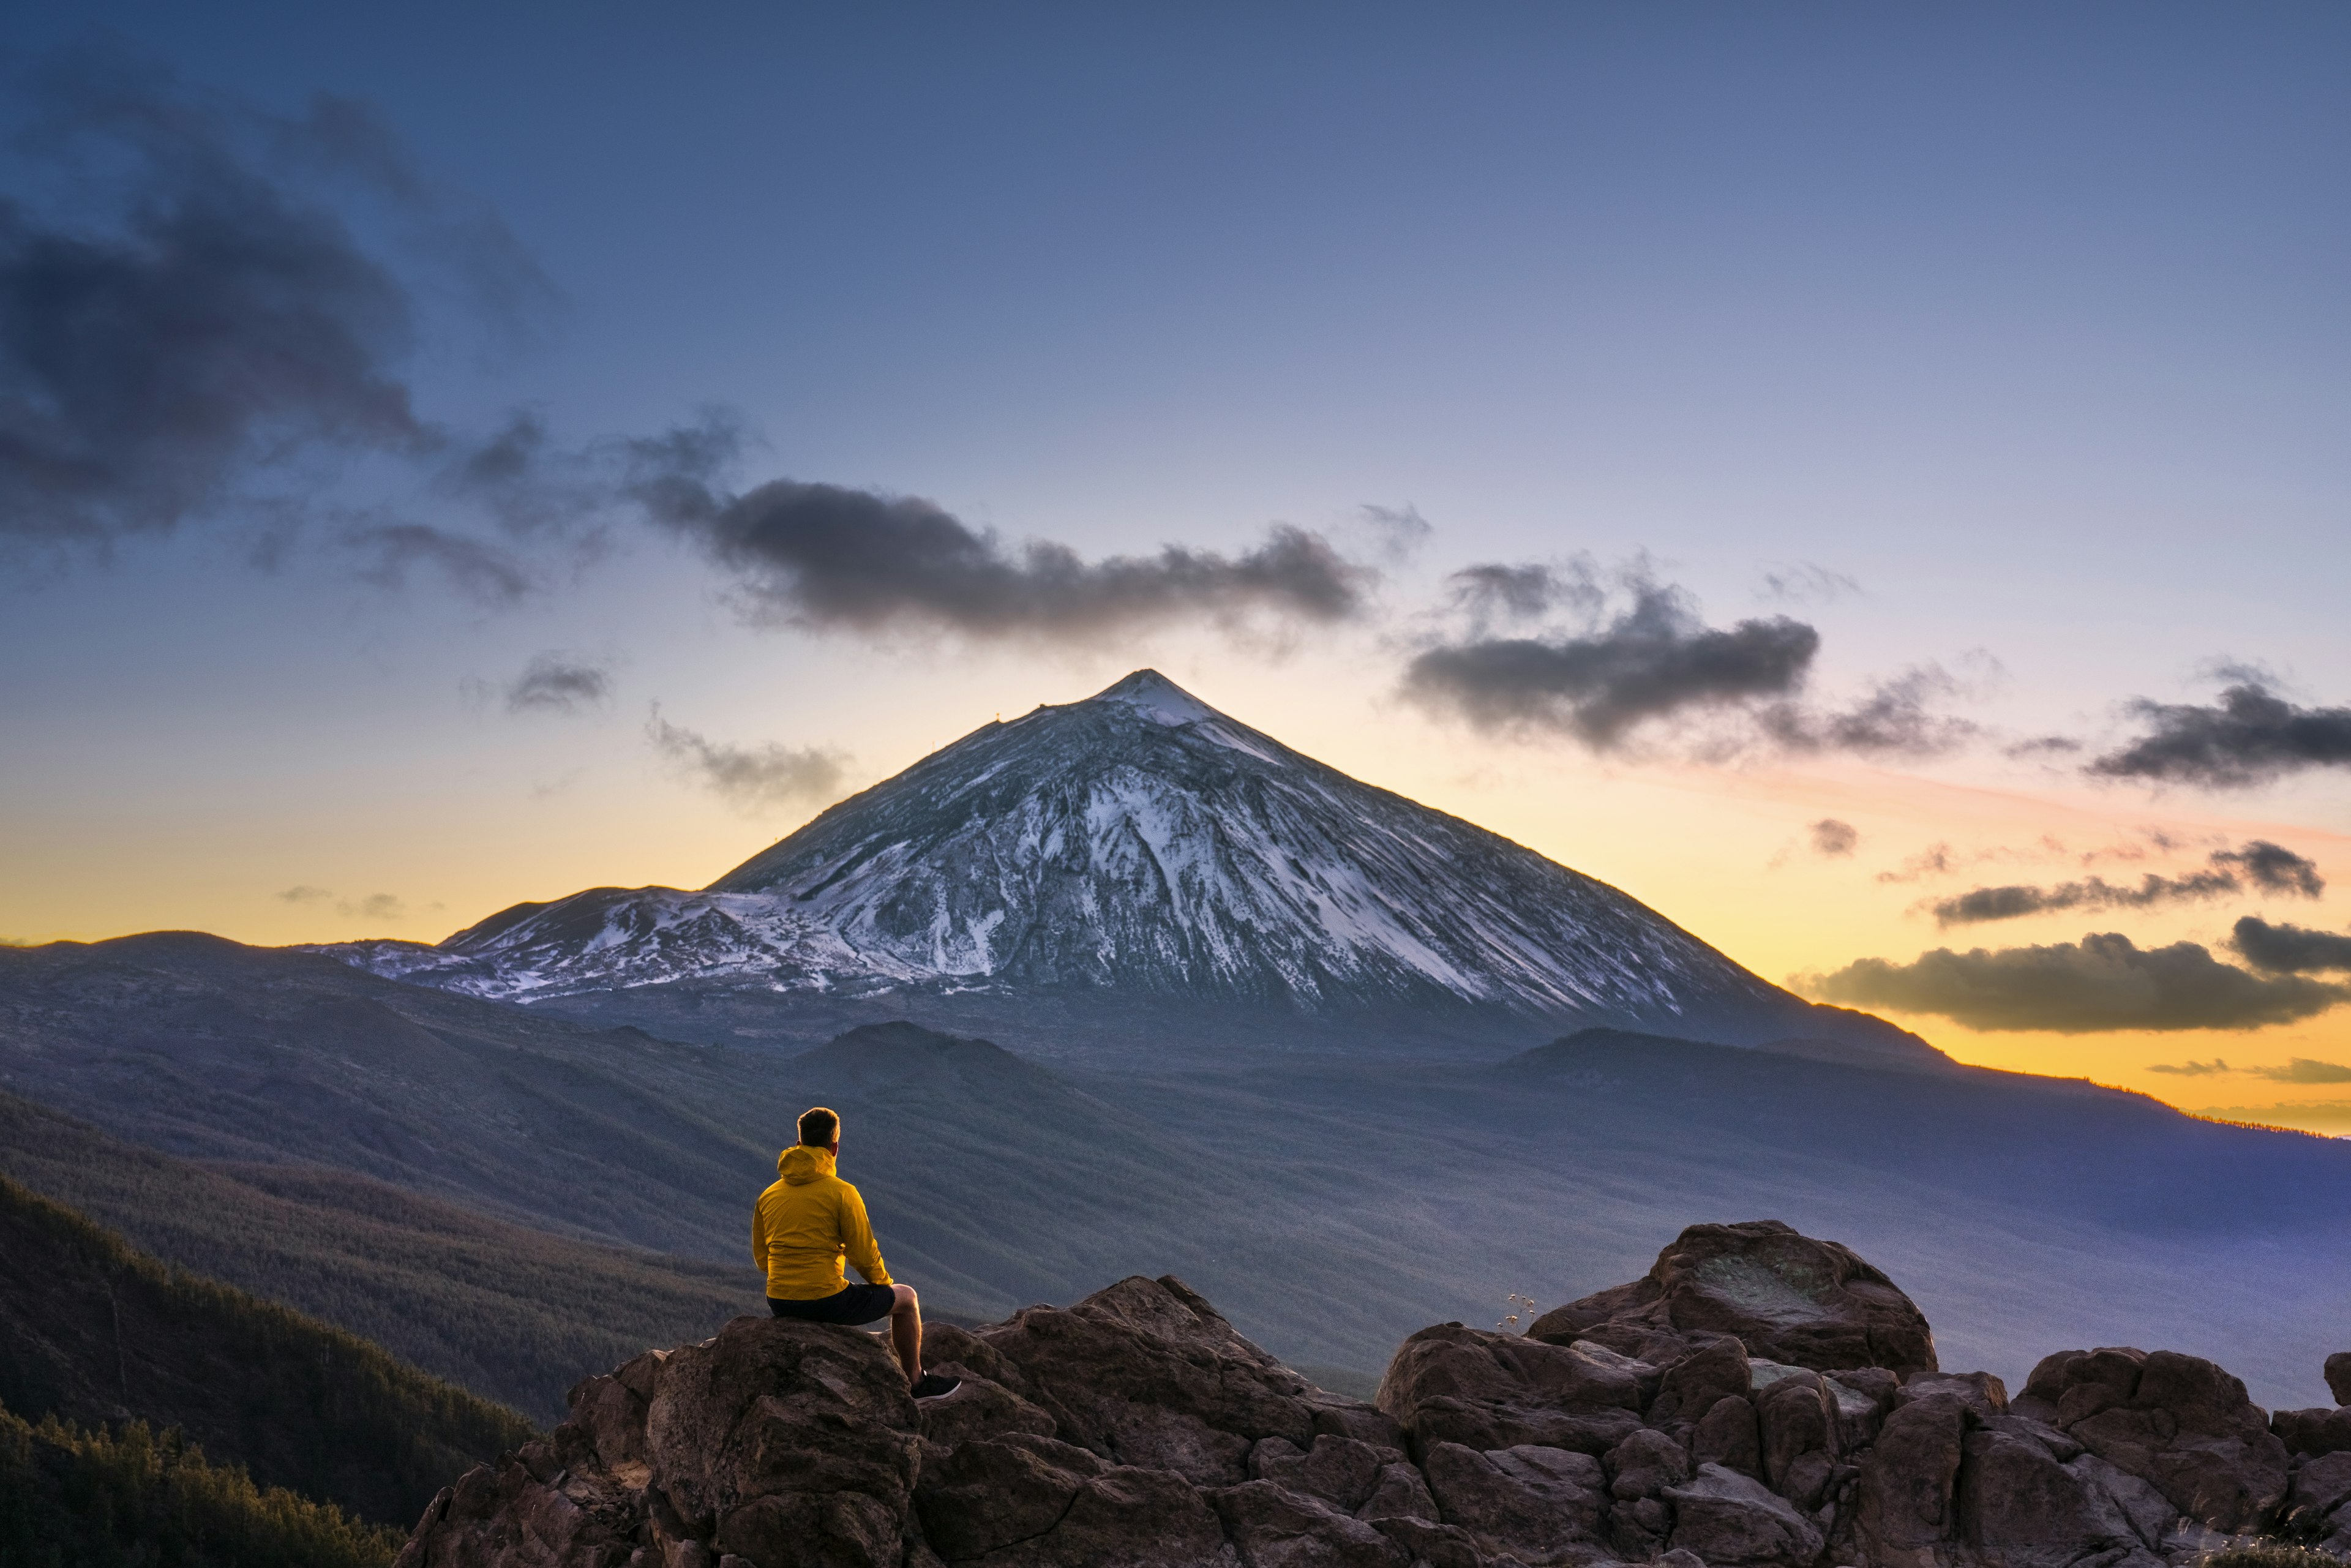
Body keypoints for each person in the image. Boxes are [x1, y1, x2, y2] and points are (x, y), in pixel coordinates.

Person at [752, 1106, 959, 1398]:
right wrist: (884, 1286)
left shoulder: (769, 1195)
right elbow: (863, 1255)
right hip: (826, 1301)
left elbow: (763, 1261)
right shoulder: (842, 1192)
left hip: (780, 1301)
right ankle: (917, 1382)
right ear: (834, 1146)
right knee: (908, 1298)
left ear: (799, 1144)